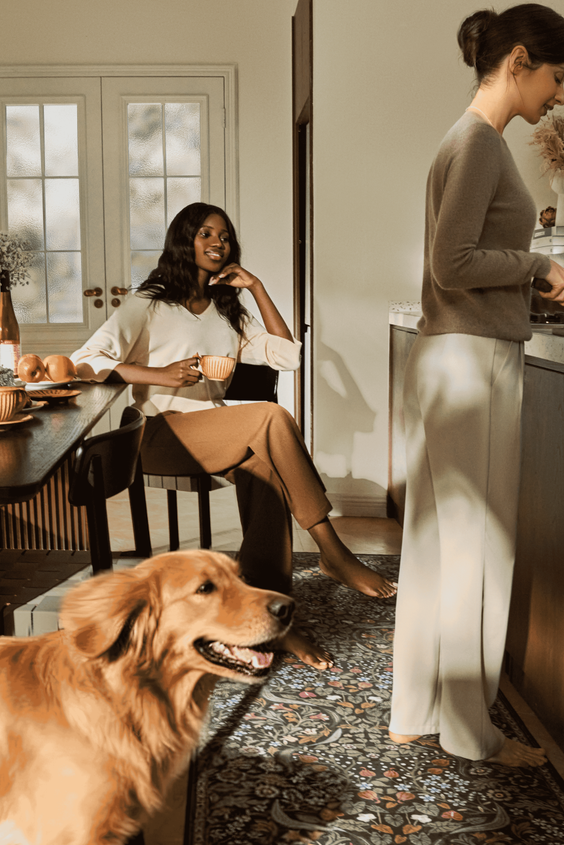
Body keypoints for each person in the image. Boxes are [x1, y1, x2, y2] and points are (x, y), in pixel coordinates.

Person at [389, 4, 564, 768]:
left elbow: (458, 267)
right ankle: (468, 730)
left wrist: (540, 284)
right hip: (472, 364)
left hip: (451, 355)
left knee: (434, 542)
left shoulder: (461, 141)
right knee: (476, 547)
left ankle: (416, 710)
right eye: (557, 78)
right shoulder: (480, 145)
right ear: (520, 60)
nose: (559, 97)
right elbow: (451, 263)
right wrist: (535, 266)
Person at [71, 202, 396, 668]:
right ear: (184, 239)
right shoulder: (149, 302)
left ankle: (268, 621)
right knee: (269, 416)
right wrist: (158, 375)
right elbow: (86, 360)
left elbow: (288, 356)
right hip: (161, 435)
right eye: (206, 233)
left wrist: (258, 288)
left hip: (213, 433)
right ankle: (333, 551)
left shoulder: (228, 311)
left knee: (264, 468)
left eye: (224, 235)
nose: (218, 242)